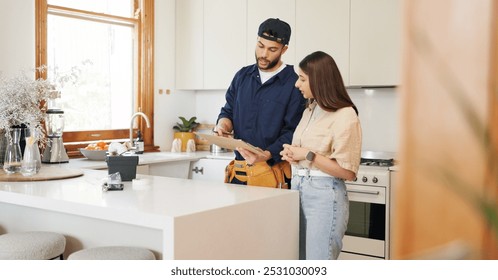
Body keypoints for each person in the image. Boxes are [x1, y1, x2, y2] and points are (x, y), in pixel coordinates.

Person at [280, 51, 362, 260]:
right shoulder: (310, 110)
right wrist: (293, 155)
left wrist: (308, 155)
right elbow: (305, 153)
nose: (297, 84)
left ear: (319, 80)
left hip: (324, 197)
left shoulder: (346, 114)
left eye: (302, 79)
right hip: (298, 189)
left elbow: (348, 172)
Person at [215, 18, 306, 188]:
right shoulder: (242, 76)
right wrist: (223, 126)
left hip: (272, 174)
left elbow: (293, 131)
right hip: (239, 174)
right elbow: (228, 112)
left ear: (284, 49)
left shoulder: (294, 83)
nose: (264, 54)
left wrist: (266, 154)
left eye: (272, 49)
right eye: (260, 46)